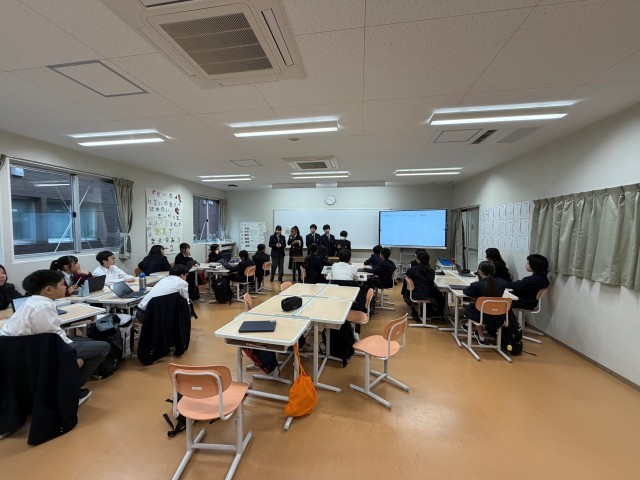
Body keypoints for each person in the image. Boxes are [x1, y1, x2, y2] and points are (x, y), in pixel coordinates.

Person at [0, 270, 109, 405]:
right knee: (103, 347)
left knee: (85, 341)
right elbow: (52, 339)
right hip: (28, 351)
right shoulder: (42, 306)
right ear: (49, 290)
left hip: (18, 347)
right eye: (62, 284)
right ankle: (70, 392)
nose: (66, 287)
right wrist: (71, 357)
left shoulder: (32, 301)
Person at [462, 261, 508, 344]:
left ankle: (481, 336)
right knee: (477, 308)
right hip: (497, 316)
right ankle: (471, 327)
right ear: (494, 271)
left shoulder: (476, 285)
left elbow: (466, 291)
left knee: (470, 307)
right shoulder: (501, 285)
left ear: (480, 272)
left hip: (481, 316)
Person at [403, 251, 439, 320]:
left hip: (414, 294)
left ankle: (414, 310)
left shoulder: (412, 270)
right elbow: (431, 282)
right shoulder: (432, 271)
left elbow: (407, 282)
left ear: (418, 260)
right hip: (428, 295)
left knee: (407, 293)